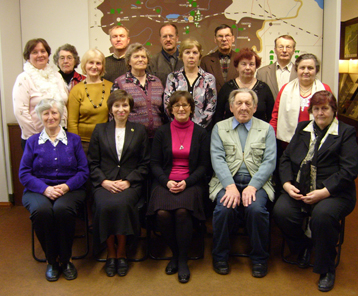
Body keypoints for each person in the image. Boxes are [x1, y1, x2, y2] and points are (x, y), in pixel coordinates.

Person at [272, 91, 358, 292]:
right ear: (311, 111)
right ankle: (303, 245)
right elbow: (285, 159)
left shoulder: (345, 132)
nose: (320, 113)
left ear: (333, 110)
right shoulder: (303, 128)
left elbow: (349, 170)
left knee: (322, 216)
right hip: (300, 188)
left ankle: (326, 268)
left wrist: (324, 192)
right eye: (316, 109)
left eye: (325, 108)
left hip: (335, 192)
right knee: (281, 211)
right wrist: (286, 184)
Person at [19, 98, 89, 282]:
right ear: (41, 117)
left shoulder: (73, 140)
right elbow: (24, 174)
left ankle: (66, 261)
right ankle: (51, 260)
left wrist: (67, 186)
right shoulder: (32, 142)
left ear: (61, 115)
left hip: (71, 189)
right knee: (42, 211)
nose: (51, 117)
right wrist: (45, 189)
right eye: (46, 113)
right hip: (37, 191)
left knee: (61, 209)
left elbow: (84, 171)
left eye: (54, 113)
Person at [210, 89, 276, 278]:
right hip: (226, 181)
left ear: (255, 108)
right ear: (231, 107)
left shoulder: (266, 129)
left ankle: (259, 258)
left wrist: (253, 186)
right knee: (224, 209)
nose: (243, 107)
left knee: (256, 209)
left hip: (258, 183)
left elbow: (269, 161)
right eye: (239, 103)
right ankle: (220, 256)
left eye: (248, 104)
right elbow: (217, 158)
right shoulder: (219, 128)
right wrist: (229, 186)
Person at [147, 91, 210, 283]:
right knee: (162, 214)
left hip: (191, 182)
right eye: (176, 106)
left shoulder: (201, 132)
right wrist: (166, 181)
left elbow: (204, 166)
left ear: (192, 108)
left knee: (182, 211)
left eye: (185, 105)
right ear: (170, 110)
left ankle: (182, 259)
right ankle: (174, 254)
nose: (181, 109)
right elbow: (154, 163)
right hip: (164, 181)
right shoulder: (161, 132)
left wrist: (186, 182)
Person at [88, 90, 149, 277]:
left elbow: (145, 163)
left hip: (129, 184)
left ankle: (122, 252)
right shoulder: (100, 130)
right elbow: (92, 163)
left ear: (130, 108)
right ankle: (110, 253)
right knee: (105, 205)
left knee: (122, 205)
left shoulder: (139, 130)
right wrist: (104, 182)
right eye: (117, 105)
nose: (121, 109)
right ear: (111, 109)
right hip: (104, 182)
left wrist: (129, 181)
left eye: (125, 105)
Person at [13, 38, 68, 149]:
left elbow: (64, 104)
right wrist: (39, 137)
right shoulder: (24, 78)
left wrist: (63, 128)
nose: (40, 55)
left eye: (43, 51)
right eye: (34, 52)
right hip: (35, 138)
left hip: (60, 135)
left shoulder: (57, 76)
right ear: (28, 56)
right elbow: (20, 112)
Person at [270, 53, 332, 144]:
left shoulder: (325, 89)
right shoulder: (285, 89)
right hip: (288, 142)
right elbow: (275, 116)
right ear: (297, 70)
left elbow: (332, 116)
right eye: (302, 68)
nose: (306, 71)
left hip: (318, 142)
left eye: (310, 68)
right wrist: (271, 137)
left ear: (316, 70)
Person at [112, 43, 164, 139]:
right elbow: (113, 113)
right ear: (129, 61)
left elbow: (163, 109)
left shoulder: (156, 81)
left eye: (143, 57)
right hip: (132, 138)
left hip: (157, 137)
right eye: (136, 57)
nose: (140, 59)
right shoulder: (120, 83)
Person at [164, 38, 217, 131]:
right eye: (187, 52)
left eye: (195, 53)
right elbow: (167, 104)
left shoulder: (208, 79)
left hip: (201, 131)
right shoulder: (173, 78)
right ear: (181, 56)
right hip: (177, 129)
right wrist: (180, 124)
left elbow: (211, 106)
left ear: (200, 56)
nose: (191, 56)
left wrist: (196, 128)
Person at [68, 49, 113, 153]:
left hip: (105, 142)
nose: (94, 66)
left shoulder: (110, 87)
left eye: (98, 63)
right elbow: (72, 122)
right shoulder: (76, 90)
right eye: (91, 62)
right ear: (84, 65)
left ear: (102, 66)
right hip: (83, 143)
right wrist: (75, 144)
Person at [215, 48, 274, 123]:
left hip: (259, 133)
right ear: (237, 67)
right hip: (230, 132)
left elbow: (271, 117)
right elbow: (218, 115)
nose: (248, 68)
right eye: (244, 64)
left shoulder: (264, 88)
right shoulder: (227, 88)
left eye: (251, 64)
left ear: (256, 67)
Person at [256, 35, 298, 100]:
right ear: (275, 50)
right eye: (281, 47)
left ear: (293, 51)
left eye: (288, 47)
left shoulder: (300, 72)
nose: (284, 50)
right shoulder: (262, 73)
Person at [200, 24, 238, 93]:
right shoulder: (206, 61)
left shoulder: (241, 59)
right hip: (214, 103)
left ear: (233, 38)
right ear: (215, 39)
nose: (224, 39)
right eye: (220, 36)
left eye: (227, 35)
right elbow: (202, 88)